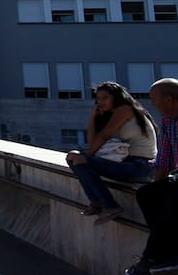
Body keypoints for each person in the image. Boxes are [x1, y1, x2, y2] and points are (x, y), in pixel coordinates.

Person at [65, 81, 156, 224]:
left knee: (79, 159)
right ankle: (96, 201)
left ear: (116, 97)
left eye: (105, 97)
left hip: (142, 167)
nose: (100, 102)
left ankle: (110, 205)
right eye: (98, 98)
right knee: (72, 156)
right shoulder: (110, 114)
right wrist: (93, 117)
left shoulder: (125, 109)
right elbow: (93, 142)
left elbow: (104, 136)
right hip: (126, 163)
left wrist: (86, 157)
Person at [125, 78, 178, 275]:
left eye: (154, 99)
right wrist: (158, 186)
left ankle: (149, 259)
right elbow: (165, 159)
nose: (152, 104)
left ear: (169, 99)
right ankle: (175, 254)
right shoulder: (170, 118)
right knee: (148, 194)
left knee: (175, 201)